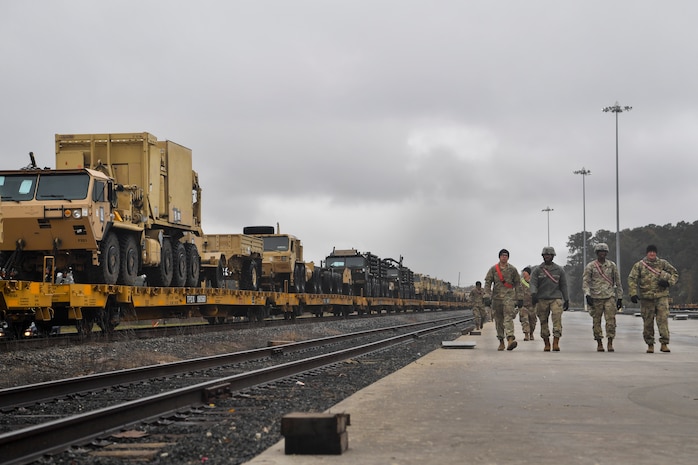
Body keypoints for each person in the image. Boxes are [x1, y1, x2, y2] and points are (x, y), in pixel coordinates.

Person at [627, 245, 679, 353]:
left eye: (654, 252)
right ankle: (650, 344)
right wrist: (633, 293)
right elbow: (632, 278)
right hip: (647, 298)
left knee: (663, 321)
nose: (652, 254)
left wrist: (668, 282)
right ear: (647, 253)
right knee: (647, 322)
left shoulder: (663, 264)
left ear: (656, 253)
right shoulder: (639, 265)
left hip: (661, 297)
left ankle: (664, 343)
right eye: (650, 252)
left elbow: (675, 274)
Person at [582, 243, 623, 352]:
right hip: (595, 297)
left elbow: (618, 282)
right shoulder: (591, 266)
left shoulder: (612, 265)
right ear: (597, 253)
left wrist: (620, 298)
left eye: (604, 252)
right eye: (600, 252)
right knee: (596, 321)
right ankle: (599, 342)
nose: (602, 254)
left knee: (611, 321)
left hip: (609, 296)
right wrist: (587, 294)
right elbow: (586, 282)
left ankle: (610, 342)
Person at [530, 246, 569, 352]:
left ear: (553, 256)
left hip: (555, 298)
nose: (547, 257)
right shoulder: (537, 270)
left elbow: (564, 285)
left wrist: (566, 299)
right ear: (543, 256)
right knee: (543, 321)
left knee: (557, 320)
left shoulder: (559, 270)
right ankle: (546, 342)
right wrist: (533, 294)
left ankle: (556, 342)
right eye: (545, 255)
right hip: (542, 299)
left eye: (549, 255)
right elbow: (533, 283)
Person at [484, 249, 523, 351]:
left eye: (506, 255)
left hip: (509, 297)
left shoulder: (513, 270)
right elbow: (488, 283)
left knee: (508, 318)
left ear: (508, 257)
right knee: (499, 320)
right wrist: (487, 296)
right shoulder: (493, 269)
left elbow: (518, 284)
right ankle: (501, 341)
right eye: (502, 255)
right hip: (496, 299)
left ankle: (510, 339)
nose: (504, 257)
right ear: (499, 257)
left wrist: (520, 298)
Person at [519, 266, 537, 341]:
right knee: (524, 320)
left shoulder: (534, 282)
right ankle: (526, 334)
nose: (524, 273)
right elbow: (517, 291)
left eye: (525, 272)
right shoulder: (520, 282)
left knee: (532, 321)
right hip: (523, 305)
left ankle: (531, 333)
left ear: (529, 273)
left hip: (532, 305)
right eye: (523, 272)